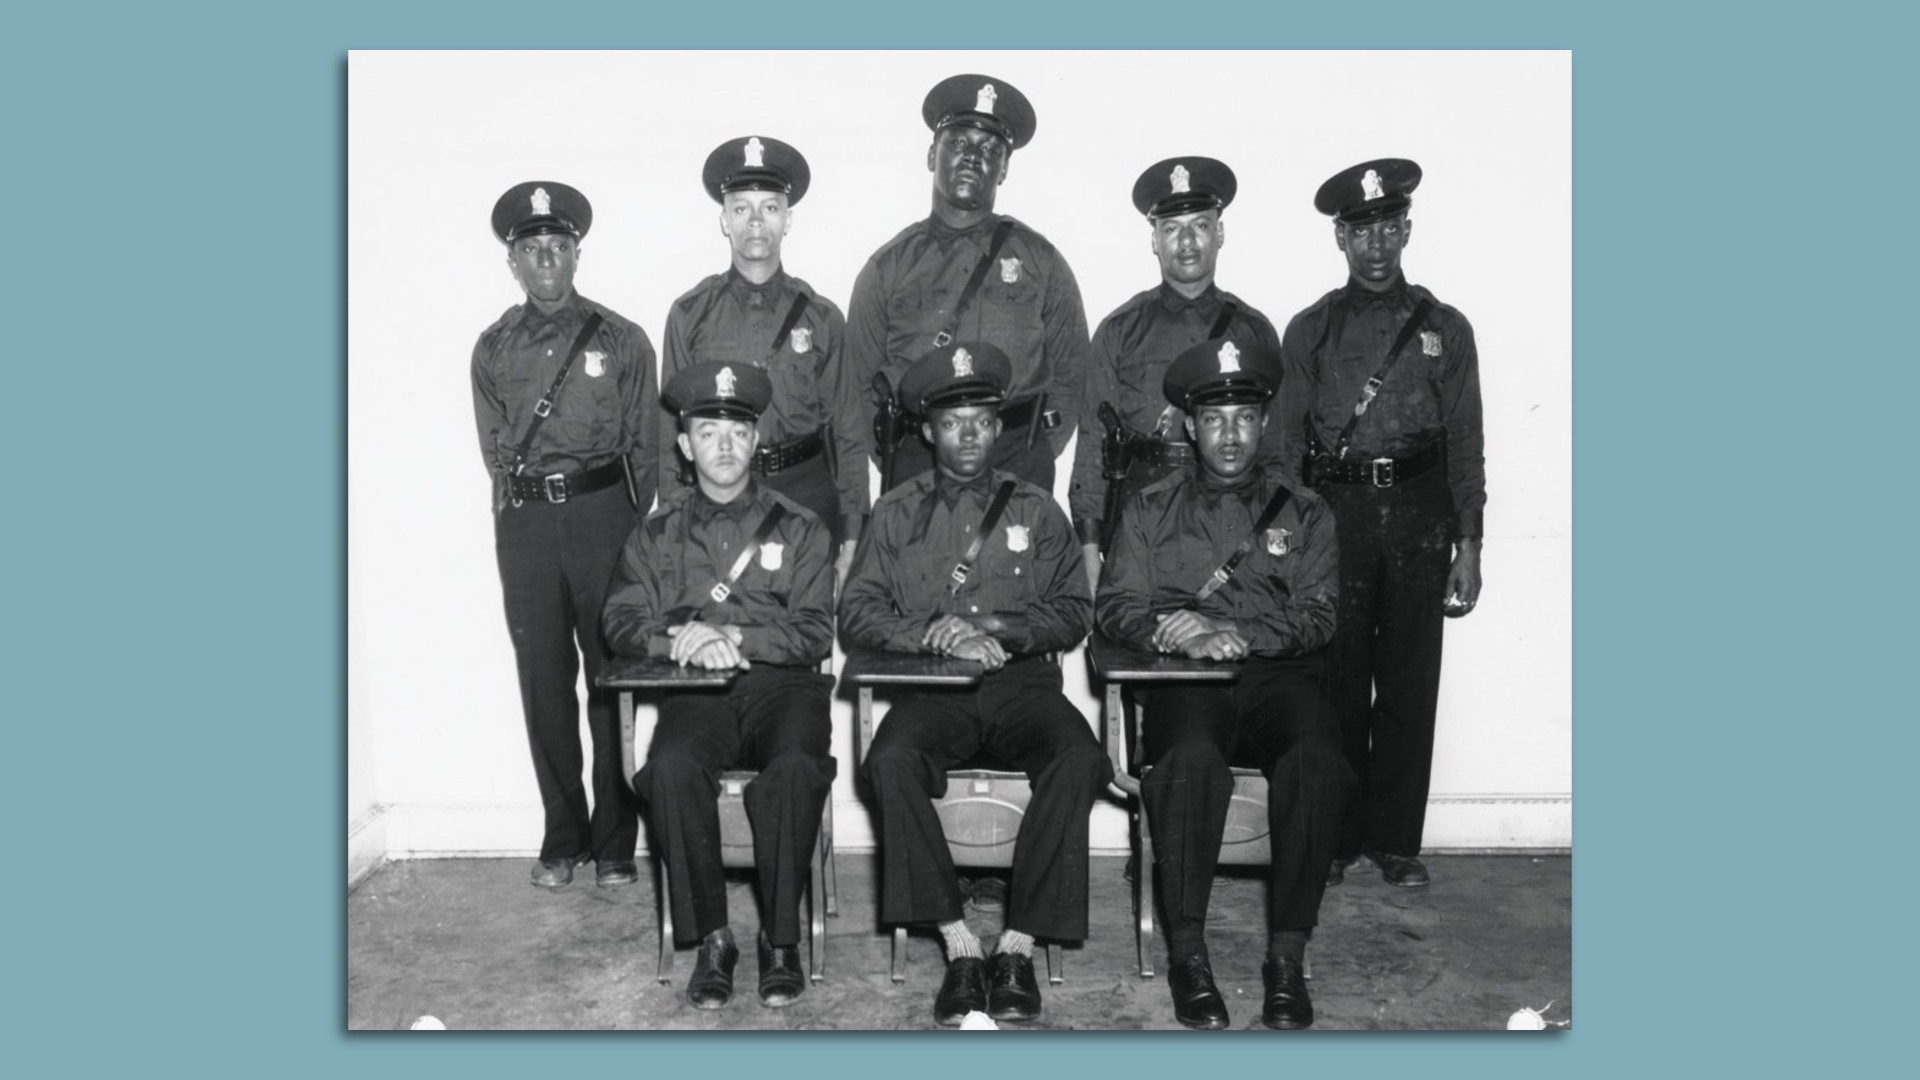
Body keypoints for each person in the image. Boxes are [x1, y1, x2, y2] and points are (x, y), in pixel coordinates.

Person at [839, 342, 1108, 1026]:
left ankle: (1017, 944)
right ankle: (958, 944)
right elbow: (858, 613)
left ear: (999, 427)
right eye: (953, 421)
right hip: (934, 689)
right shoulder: (895, 513)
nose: (969, 435)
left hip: (1022, 687)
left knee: (1081, 756)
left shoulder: (1037, 510)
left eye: (982, 420)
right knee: (891, 760)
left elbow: (1076, 612)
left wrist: (1000, 627)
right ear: (928, 429)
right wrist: (935, 631)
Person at [1095, 336, 1351, 1030]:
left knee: (1318, 758)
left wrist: (1241, 635)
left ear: (1264, 421)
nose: (1229, 434)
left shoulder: (1305, 511)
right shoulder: (1151, 507)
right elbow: (1116, 605)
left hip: (1274, 678)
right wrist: (1173, 629)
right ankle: (1188, 953)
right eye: (1214, 419)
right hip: (1186, 680)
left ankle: (1287, 956)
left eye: (1243, 417)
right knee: (1187, 760)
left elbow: (1319, 615)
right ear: (1188, 425)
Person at [1276, 158, 1486, 889]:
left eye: (1387, 228)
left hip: (1422, 516)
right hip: (1338, 516)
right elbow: (1281, 452)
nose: (1375, 245)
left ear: (1406, 230)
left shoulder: (1444, 328)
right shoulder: (1310, 330)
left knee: (1408, 679)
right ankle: (1334, 836)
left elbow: (1466, 441)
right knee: (1336, 680)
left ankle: (1396, 840)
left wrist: (1471, 543)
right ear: (1340, 236)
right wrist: (1289, 548)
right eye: (1360, 231)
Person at [603, 361, 837, 1010]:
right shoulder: (657, 534)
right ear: (685, 446)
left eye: (736, 431)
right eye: (708, 432)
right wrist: (675, 640)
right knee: (672, 766)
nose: (724, 446)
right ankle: (714, 938)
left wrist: (735, 638)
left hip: (784, 689)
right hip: (697, 693)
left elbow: (816, 632)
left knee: (792, 767)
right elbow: (620, 618)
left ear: (757, 439)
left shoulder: (801, 527)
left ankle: (779, 941)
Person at [471, 180, 657, 890]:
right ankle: (563, 836)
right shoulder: (492, 348)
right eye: (531, 250)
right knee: (542, 679)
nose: (545, 259)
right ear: (512, 263)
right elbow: (494, 447)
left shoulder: (622, 338)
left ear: (577, 252)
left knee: (611, 676)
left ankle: (615, 843)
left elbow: (647, 447)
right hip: (526, 524)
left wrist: (630, 532)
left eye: (557, 246)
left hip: (604, 514)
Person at [845, 73, 1090, 495]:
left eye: (990, 149)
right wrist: (899, 457)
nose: (974, 157)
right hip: (917, 465)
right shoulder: (887, 267)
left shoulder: (1042, 262)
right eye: (958, 143)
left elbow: (1073, 372)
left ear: (1004, 169)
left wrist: (1035, 450)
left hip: (1017, 461)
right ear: (930, 154)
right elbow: (859, 382)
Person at [659, 135, 865, 583]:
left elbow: (848, 429)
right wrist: (674, 522)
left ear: (787, 219)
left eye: (769, 207)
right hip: (718, 493)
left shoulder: (822, 317)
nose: (755, 222)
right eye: (742, 208)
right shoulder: (690, 314)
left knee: (804, 635)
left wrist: (852, 528)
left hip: (805, 489)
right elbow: (670, 432)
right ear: (724, 220)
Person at [1071, 156, 1282, 591]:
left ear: (1220, 233)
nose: (1187, 241)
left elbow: (1275, 449)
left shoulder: (1254, 330)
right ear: (1154, 240)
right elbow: (1093, 443)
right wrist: (1090, 552)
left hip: (1234, 520)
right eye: (1171, 229)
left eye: (1200, 226)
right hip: (1140, 519)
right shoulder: (1119, 329)